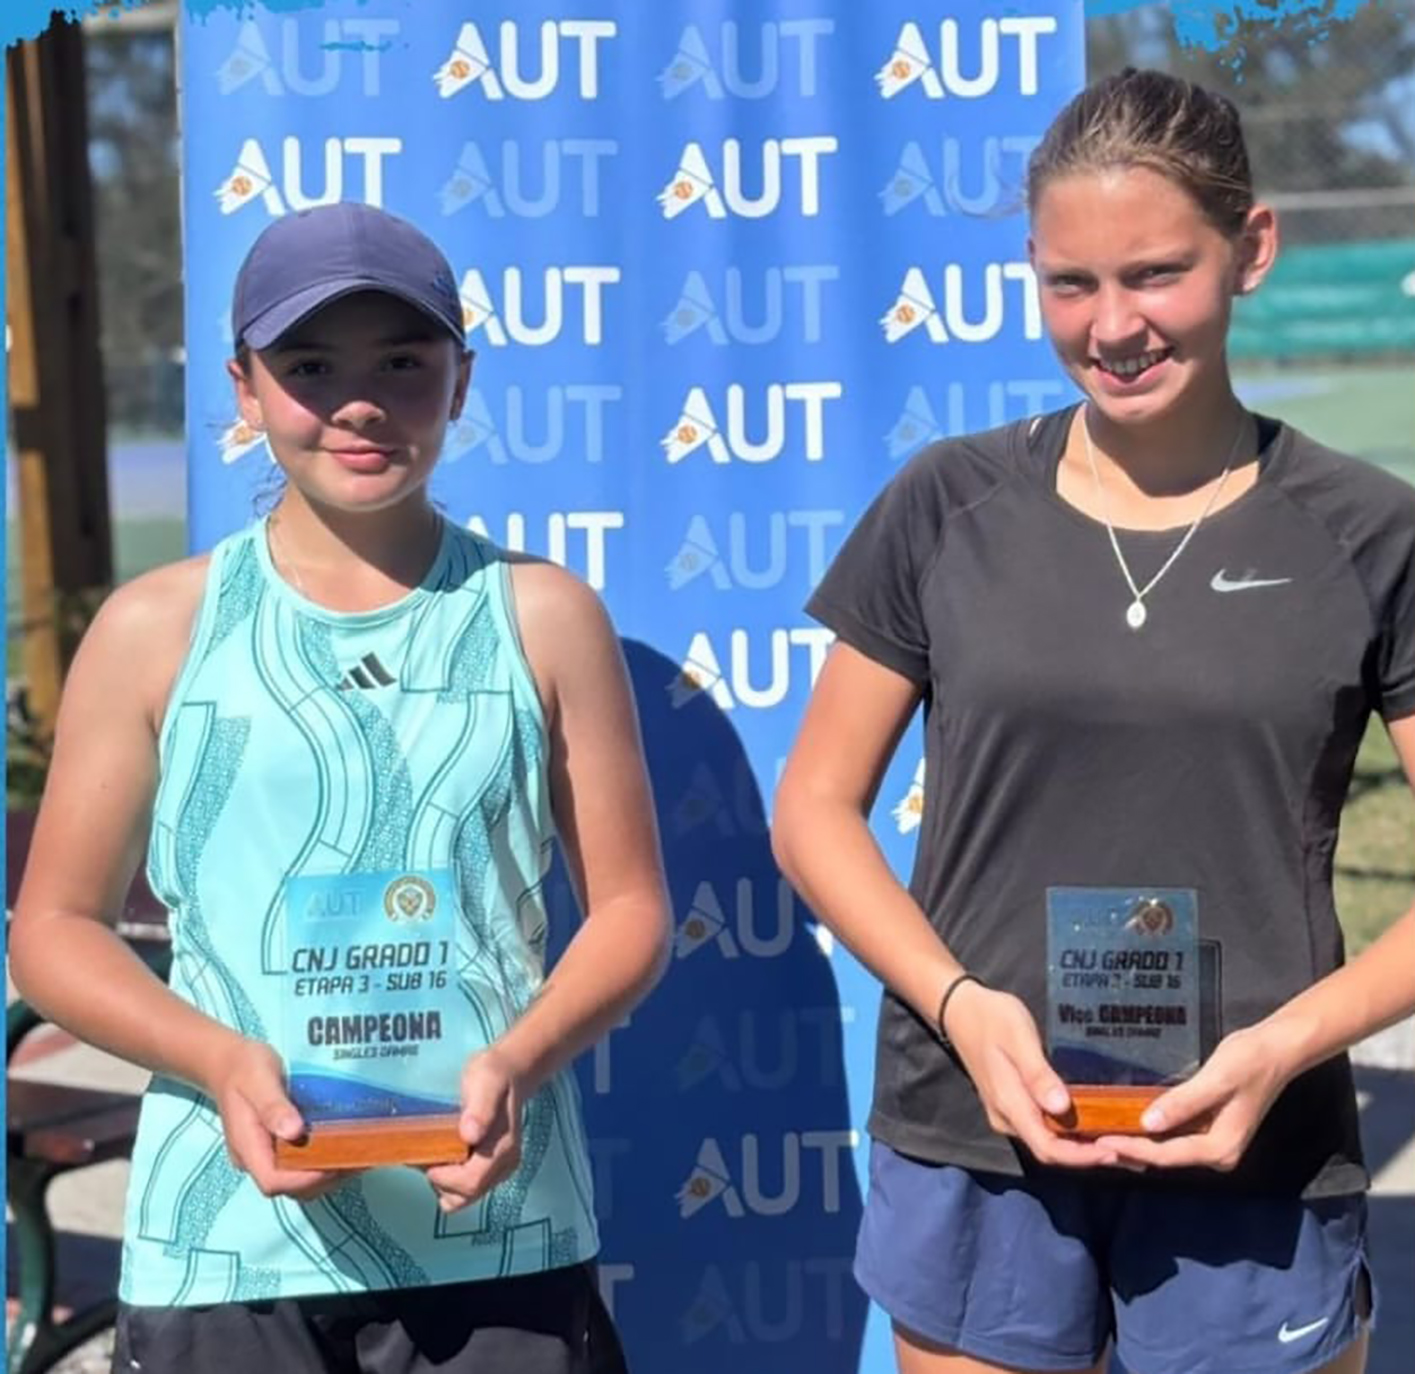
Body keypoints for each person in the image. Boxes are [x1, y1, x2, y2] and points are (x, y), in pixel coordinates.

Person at [771, 67, 1415, 1374]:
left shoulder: (1365, 531)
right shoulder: (942, 502)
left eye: (1152, 274)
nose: (1110, 323)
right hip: (977, 1128)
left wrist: (1278, 1047)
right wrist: (962, 1009)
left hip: (1253, 1142)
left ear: (1249, 249)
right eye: (1070, 283)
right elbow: (812, 811)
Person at [9, 201, 671, 1374]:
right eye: (310, 366)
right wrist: (221, 1063)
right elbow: (54, 932)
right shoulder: (155, 628)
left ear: (460, 381)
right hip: (227, 1245)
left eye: (403, 364)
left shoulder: (544, 616)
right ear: (245, 388)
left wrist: (514, 1063)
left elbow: (628, 913)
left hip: (494, 1235)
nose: (359, 403)